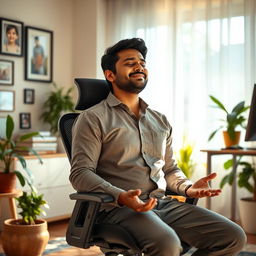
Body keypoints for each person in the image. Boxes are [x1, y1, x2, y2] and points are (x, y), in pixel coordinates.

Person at [70, 38, 246, 256]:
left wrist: (188, 188)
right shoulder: (94, 118)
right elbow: (80, 173)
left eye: (142, 62)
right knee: (167, 244)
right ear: (110, 75)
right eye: (129, 62)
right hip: (117, 209)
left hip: (161, 204)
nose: (139, 66)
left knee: (232, 236)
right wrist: (121, 196)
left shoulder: (159, 120)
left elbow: (169, 169)